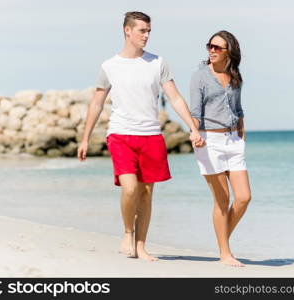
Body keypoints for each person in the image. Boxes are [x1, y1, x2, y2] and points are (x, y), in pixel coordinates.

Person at [77, 11, 204, 261]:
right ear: (127, 30)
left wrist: (192, 127)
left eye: (148, 31)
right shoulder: (109, 66)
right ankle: (127, 233)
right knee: (130, 188)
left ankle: (141, 246)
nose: (146, 35)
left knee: (146, 194)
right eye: (142, 30)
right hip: (121, 135)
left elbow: (175, 98)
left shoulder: (157, 63)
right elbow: (96, 104)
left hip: (151, 136)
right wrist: (85, 138)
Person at [190, 30, 251, 267]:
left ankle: (221, 238)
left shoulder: (236, 76)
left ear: (229, 52)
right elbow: (196, 112)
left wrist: (241, 128)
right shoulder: (200, 77)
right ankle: (225, 252)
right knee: (222, 199)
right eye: (210, 46)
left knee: (244, 198)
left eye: (217, 47)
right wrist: (194, 132)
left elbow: (238, 106)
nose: (212, 51)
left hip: (233, 141)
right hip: (209, 142)